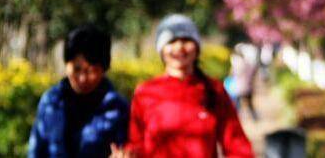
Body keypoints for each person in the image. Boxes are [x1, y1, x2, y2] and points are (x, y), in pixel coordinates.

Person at [115, 14, 253, 158]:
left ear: (197, 47)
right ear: (161, 50)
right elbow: (136, 144)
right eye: (172, 41)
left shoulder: (214, 90)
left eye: (186, 40)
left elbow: (237, 145)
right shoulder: (145, 92)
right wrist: (126, 154)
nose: (179, 47)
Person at [29, 25, 130, 158]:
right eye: (76, 69)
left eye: (91, 71)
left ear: (104, 69)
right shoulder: (51, 101)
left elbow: (127, 148)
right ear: (66, 65)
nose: (82, 78)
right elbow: (36, 150)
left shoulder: (117, 108)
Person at [230, 43, 259, 121]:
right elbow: (254, 71)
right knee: (249, 104)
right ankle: (254, 118)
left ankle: (236, 118)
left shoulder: (236, 63)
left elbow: (232, 73)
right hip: (247, 86)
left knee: (237, 105)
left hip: (239, 87)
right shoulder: (248, 63)